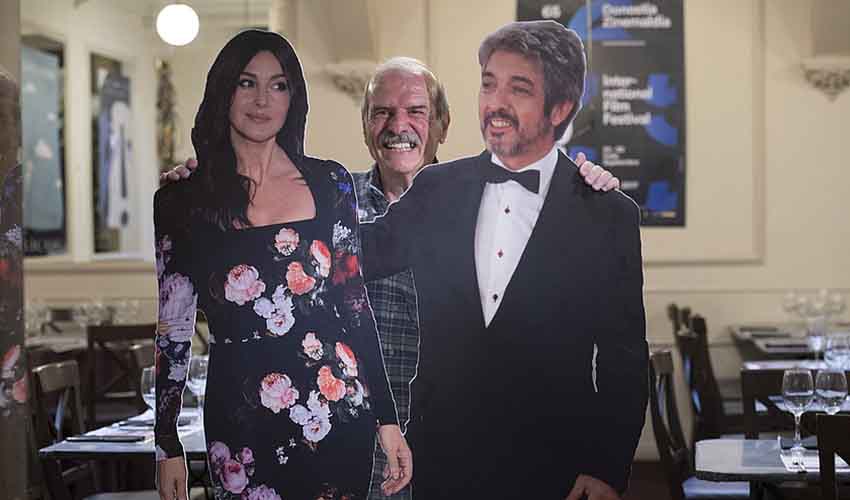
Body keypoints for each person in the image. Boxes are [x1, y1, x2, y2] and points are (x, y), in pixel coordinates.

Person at [358, 21, 648, 499]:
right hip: (444, 468)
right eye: (489, 84)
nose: (496, 102)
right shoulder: (435, 189)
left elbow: (624, 361)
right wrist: (252, 188)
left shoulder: (605, 214)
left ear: (561, 108)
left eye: (519, 88)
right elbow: (355, 256)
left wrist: (606, 467)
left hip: (557, 471)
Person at [153, 30, 410, 500]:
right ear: (223, 90)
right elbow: (174, 329)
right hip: (240, 415)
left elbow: (355, 306)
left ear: (294, 96)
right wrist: (165, 443)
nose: (262, 100)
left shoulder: (330, 182)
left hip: (337, 407)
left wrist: (387, 420)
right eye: (247, 83)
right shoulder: (181, 200)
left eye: (279, 85)